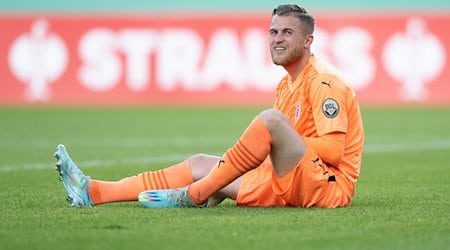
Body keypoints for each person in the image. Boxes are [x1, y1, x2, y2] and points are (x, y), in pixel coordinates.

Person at [54, 4, 364, 209]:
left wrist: (274, 145)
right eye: (273, 32)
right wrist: (235, 170)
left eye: (287, 32)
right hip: (291, 179)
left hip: (327, 188)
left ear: (308, 41)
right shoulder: (285, 85)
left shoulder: (324, 81)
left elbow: (334, 151)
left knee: (270, 122)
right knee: (202, 163)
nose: (277, 39)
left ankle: (195, 195)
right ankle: (93, 191)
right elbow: (285, 152)